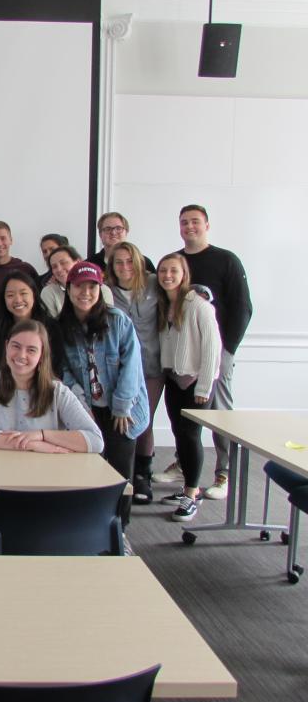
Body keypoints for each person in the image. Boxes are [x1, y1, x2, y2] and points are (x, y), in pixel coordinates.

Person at [155, 204, 252, 501]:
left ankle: (223, 473)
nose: (189, 227)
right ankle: (186, 466)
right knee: (185, 423)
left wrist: (227, 350)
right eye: (184, 222)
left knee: (219, 415)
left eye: (195, 222)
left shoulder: (226, 260)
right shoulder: (176, 261)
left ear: (207, 225)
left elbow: (242, 307)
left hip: (216, 351)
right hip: (182, 358)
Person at [58, 261, 149, 525]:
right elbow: (64, 371)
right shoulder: (62, 326)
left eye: (92, 287)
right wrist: (81, 405)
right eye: (79, 286)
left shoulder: (117, 321)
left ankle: (120, 529)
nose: (85, 293)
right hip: (88, 407)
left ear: (100, 290)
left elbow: (131, 368)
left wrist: (121, 407)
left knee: (120, 473)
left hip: (124, 409)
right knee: (90, 468)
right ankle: (92, 526)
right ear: (68, 288)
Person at [0, 319, 103, 453]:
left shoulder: (58, 391)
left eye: (31, 350)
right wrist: (34, 445)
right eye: (16, 346)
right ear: (6, 346)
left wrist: (42, 435)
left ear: (41, 355)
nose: (22, 355)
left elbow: (95, 440)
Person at [156, 252, 221, 521]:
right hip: (173, 379)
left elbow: (212, 348)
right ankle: (185, 488)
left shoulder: (199, 305)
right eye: (162, 271)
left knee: (191, 436)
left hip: (196, 383)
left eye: (173, 271)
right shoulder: (164, 305)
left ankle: (192, 495)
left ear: (184, 274)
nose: (167, 276)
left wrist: (204, 387)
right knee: (179, 434)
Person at [105, 241, 162, 504]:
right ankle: (117, 478)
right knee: (122, 423)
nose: (124, 266)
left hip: (151, 365)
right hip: (118, 369)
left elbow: (183, 289)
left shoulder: (154, 284)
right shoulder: (106, 291)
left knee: (143, 420)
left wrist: (202, 293)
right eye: (119, 262)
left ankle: (143, 475)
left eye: (129, 261)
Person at [0, 270, 65, 377]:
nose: (18, 300)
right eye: (10, 295)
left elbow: (57, 368)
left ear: (34, 295)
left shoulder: (51, 328)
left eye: (23, 293)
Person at [40, 245, 114, 317]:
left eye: (63, 263)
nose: (59, 269)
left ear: (78, 262)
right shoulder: (48, 292)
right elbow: (51, 325)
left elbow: (108, 320)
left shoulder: (103, 289)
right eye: (54, 267)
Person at [87, 211, 155, 274]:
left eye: (118, 228)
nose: (113, 232)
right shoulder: (89, 265)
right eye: (108, 229)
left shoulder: (143, 263)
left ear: (126, 232)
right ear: (100, 234)